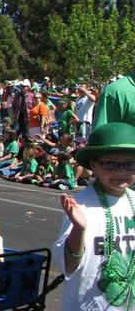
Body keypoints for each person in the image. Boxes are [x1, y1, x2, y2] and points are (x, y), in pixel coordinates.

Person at [53, 122, 135, 310]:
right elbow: (70, 265)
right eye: (110, 164)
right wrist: (79, 229)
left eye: (130, 164)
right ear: (93, 165)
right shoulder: (81, 206)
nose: (121, 172)